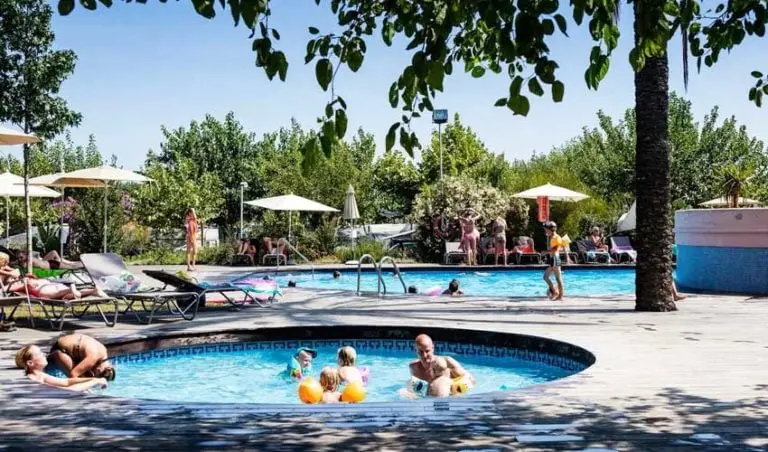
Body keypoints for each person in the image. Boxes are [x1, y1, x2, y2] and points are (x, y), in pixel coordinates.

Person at [15, 345, 108, 392]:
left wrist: (93, 379)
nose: (44, 354)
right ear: (30, 363)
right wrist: (94, 382)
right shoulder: (34, 379)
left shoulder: (41, 375)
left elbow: (66, 382)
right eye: (39, 353)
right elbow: (69, 390)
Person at [47, 334, 116, 380]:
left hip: (72, 348)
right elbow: (73, 375)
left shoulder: (103, 351)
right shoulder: (93, 358)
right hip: (59, 350)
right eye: (97, 375)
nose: (95, 374)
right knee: (81, 379)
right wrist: (93, 380)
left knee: (88, 377)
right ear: (99, 370)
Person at [543, 221, 565, 301]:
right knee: (545, 277)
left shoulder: (556, 237)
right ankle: (555, 291)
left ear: (550, 229)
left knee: (558, 278)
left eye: (546, 229)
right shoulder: (552, 237)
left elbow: (555, 249)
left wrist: (545, 252)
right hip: (553, 259)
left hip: (555, 258)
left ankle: (560, 296)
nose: (545, 231)